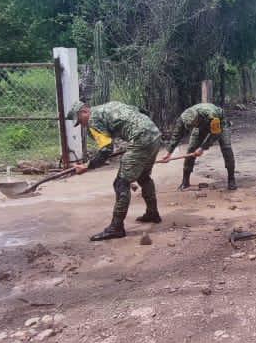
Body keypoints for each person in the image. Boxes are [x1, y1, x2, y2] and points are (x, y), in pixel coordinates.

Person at [68, 101, 162, 242]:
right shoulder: (110, 105)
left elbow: (106, 150)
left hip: (140, 140)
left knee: (121, 183)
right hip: (154, 134)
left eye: (80, 121)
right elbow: (141, 111)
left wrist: (87, 166)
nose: (82, 125)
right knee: (143, 177)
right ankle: (152, 213)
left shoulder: (93, 120)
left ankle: (116, 227)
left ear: (84, 112)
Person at [162, 102, 237, 191]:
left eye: (194, 124)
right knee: (191, 149)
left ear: (198, 118)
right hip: (201, 126)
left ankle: (231, 180)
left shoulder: (213, 115)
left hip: (220, 123)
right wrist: (169, 152)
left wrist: (202, 148)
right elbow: (177, 135)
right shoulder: (184, 117)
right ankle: (185, 181)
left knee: (226, 147)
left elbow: (215, 134)